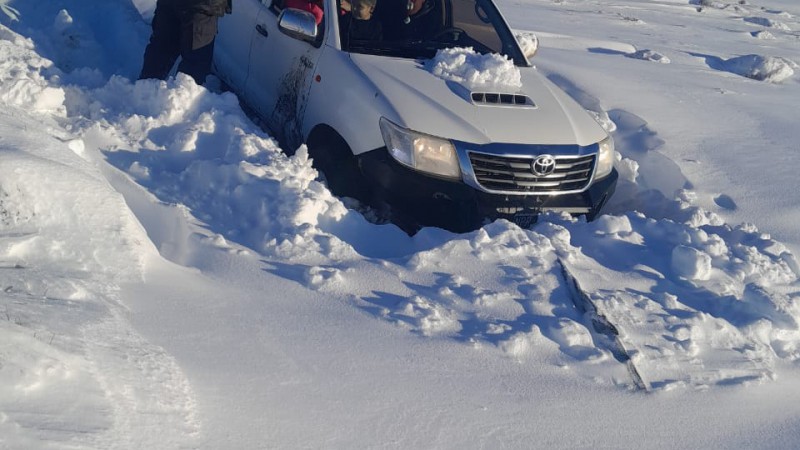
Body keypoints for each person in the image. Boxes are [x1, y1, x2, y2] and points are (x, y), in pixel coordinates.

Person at [139, 0, 233, 85]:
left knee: (162, 48)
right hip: (200, 7)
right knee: (195, 62)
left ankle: (143, 93)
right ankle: (180, 100)